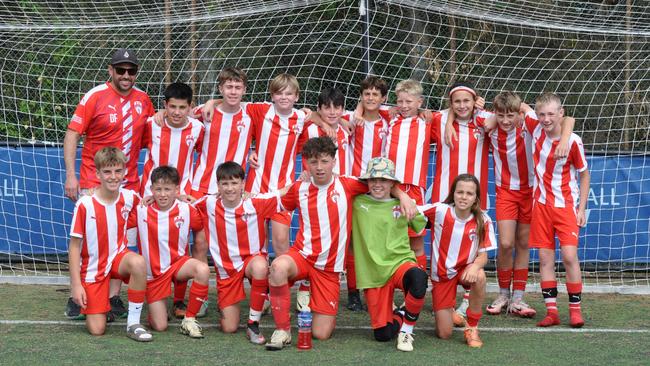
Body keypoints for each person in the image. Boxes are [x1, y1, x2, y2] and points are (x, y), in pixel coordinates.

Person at [264, 137, 416, 350]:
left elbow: (380, 182)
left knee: (321, 334)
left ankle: (317, 306)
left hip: (329, 268)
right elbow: (275, 201)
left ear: (334, 161)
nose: (318, 167)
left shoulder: (348, 184)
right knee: (278, 266)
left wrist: (402, 195)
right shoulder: (300, 188)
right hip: (303, 256)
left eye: (324, 161)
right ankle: (282, 329)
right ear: (306, 163)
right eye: (313, 162)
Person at [63, 48, 154, 320]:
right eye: (121, 70)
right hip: (95, 180)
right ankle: (76, 294)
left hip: (130, 185)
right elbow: (72, 134)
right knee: (91, 242)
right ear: (110, 70)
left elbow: (156, 131)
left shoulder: (143, 99)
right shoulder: (95, 96)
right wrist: (71, 174)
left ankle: (113, 297)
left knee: (124, 240)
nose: (126, 75)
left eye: (131, 71)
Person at [194, 162, 288, 344]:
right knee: (229, 328)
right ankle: (237, 304)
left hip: (251, 261)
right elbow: (185, 203)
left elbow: (284, 193)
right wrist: (151, 198)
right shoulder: (209, 202)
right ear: (218, 186)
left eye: (234, 183)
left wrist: (305, 179)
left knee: (261, 266)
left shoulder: (256, 202)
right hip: (226, 269)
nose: (230, 188)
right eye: (225, 184)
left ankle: (253, 323)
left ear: (243, 184)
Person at [68, 147, 152, 341]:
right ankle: (100, 303)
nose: (113, 177)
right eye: (107, 172)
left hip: (118, 260)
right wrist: (76, 285)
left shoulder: (129, 197)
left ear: (124, 172)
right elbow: (74, 247)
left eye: (117, 171)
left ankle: (133, 323)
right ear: (97, 174)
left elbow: (149, 205)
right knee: (97, 329)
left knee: (138, 262)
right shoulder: (85, 203)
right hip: (93, 268)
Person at [140, 82, 206, 319]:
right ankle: (150, 295)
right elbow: (135, 146)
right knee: (150, 247)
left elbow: (203, 153)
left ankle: (179, 300)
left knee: (180, 247)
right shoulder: (151, 125)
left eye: (182, 107)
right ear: (164, 106)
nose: (177, 112)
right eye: (172, 107)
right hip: (150, 196)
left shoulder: (198, 128)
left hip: (182, 197)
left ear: (190, 107)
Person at [524, 93, 590, 328]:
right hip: (540, 206)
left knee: (570, 257)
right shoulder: (535, 127)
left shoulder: (573, 141)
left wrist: (581, 208)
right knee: (544, 259)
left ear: (561, 114)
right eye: (542, 114)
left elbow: (584, 175)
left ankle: (575, 310)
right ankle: (552, 312)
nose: (546, 118)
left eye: (551, 114)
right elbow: (520, 106)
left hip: (565, 207)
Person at [352, 157, 428, 352]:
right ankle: (402, 312)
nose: (378, 184)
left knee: (418, 278)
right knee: (383, 335)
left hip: (399, 263)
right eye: (373, 179)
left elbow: (422, 222)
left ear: (392, 183)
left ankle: (406, 332)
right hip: (373, 273)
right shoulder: (355, 202)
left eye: (384, 180)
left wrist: (404, 197)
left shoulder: (404, 204)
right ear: (366, 181)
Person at [418, 174, 497, 348]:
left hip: (465, 270)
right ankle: (450, 311)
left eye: (469, 193)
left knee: (480, 276)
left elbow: (483, 256)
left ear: (476, 198)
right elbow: (413, 210)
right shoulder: (439, 210)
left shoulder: (483, 220)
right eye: (460, 192)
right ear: (453, 193)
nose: (463, 196)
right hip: (443, 275)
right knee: (444, 334)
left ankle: (472, 327)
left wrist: (475, 266)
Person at [135, 166, 210, 338]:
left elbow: (200, 227)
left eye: (167, 189)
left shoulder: (187, 209)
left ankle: (189, 319)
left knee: (203, 269)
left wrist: (199, 247)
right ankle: (156, 309)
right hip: (154, 274)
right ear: (151, 189)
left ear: (177, 190)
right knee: (160, 326)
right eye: (158, 189)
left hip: (178, 265)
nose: (162, 194)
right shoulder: (140, 209)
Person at [485, 91, 537, 317]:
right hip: (505, 191)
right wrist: (490, 117)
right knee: (506, 243)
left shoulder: (528, 126)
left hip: (530, 191)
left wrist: (524, 109)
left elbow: (549, 118)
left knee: (523, 243)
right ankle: (503, 294)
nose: (506, 121)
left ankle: (518, 298)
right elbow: (476, 114)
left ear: (518, 114)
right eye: (501, 115)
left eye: (510, 115)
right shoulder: (491, 128)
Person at [384, 79, 432, 270]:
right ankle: (390, 287)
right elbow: (366, 106)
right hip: (388, 188)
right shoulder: (389, 118)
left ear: (419, 102)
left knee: (416, 242)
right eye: (400, 101)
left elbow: (453, 112)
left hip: (413, 189)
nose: (403, 106)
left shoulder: (428, 121)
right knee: (389, 240)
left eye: (409, 102)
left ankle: (416, 290)